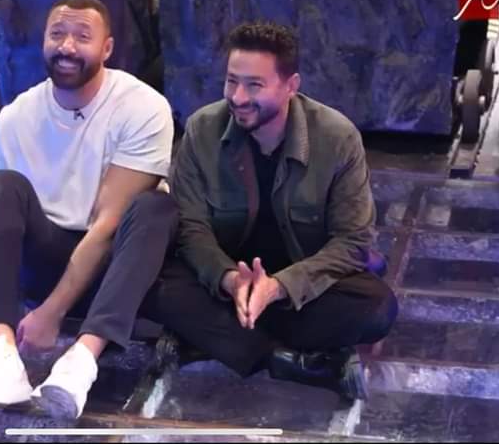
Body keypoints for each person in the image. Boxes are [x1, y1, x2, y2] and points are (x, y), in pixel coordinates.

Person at [141, 21, 398, 401]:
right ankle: (283, 358)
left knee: (375, 307)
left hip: (301, 281)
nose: (238, 97)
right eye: (231, 81)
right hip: (224, 280)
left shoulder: (337, 137)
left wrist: (278, 288)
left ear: (291, 86)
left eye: (254, 85)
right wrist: (231, 280)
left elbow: (353, 241)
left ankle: (210, 340)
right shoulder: (202, 129)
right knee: (148, 279)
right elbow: (191, 228)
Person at [0, 0, 177, 420]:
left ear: (107, 48)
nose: (67, 47)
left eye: (82, 37)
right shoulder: (17, 116)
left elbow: (108, 225)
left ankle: (81, 362)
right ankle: (0, 352)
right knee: (2, 185)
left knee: (156, 209)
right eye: (57, 34)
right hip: (45, 259)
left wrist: (51, 314)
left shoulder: (142, 107)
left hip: (114, 270)